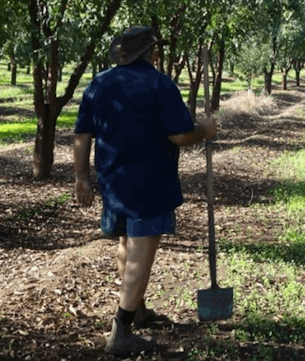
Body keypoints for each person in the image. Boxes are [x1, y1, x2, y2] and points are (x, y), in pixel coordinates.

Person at [73, 26, 217, 355]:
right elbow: (179, 135)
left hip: (112, 180)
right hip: (150, 181)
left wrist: (81, 178)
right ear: (148, 53)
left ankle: (136, 309)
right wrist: (205, 131)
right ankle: (121, 329)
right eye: (155, 49)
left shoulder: (98, 83)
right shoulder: (159, 83)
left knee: (126, 241)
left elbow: (82, 137)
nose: (158, 54)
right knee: (142, 247)